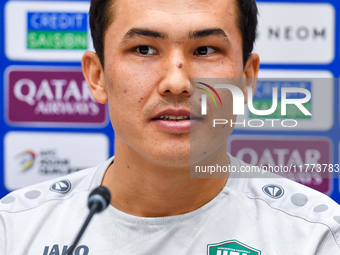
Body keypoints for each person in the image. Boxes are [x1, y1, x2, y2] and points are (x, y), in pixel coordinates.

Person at [1, 0, 340, 254]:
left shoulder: (318, 237)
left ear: (247, 79)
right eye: (144, 49)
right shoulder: (14, 231)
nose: (176, 83)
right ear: (97, 76)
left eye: (205, 50)